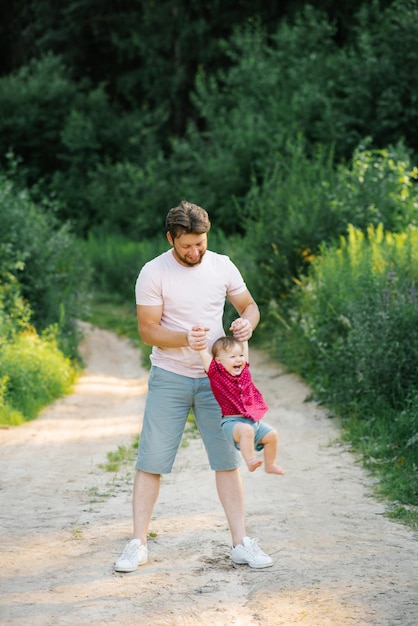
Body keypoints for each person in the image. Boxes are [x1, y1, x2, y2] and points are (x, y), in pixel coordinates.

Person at [114, 200, 273, 572]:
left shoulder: (222, 264)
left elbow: (249, 305)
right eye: (186, 245)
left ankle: (241, 543)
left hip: (217, 381)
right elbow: (147, 330)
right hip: (169, 376)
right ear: (170, 237)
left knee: (226, 460)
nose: (194, 251)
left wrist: (248, 323)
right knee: (151, 460)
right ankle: (137, 543)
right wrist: (187, 337)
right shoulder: (153, 272)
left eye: (200, 243)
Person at [196, 331, 285, 475]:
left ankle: (270, 465)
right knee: (246, 430)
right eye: (232, 357)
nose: (238, 360)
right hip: (232, 422)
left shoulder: (244, 371)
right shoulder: (216, 374)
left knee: (272, 435)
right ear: (218, 361)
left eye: (240, 356)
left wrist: (243, 335)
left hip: (253, 421)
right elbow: (204, 355)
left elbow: (244, 346)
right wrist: (200, 346)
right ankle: (250, 460)